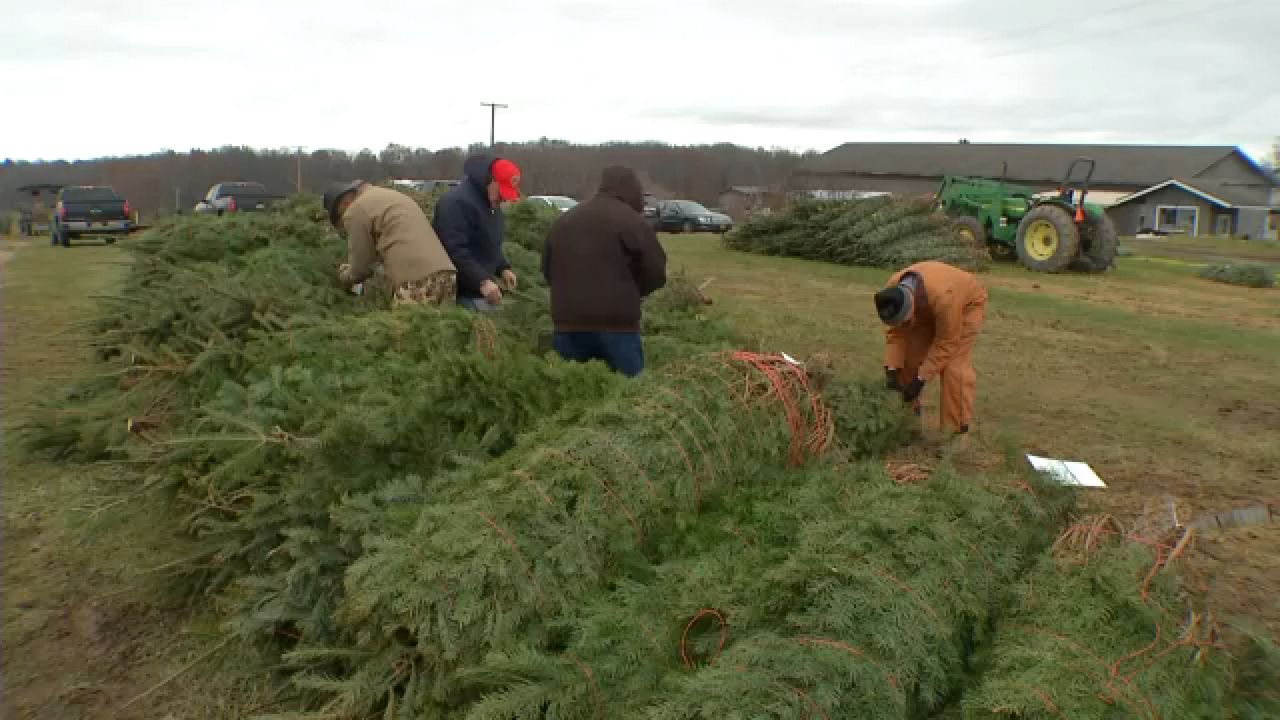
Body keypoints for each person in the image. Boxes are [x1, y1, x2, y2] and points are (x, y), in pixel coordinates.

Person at [541, 165, 666, 377]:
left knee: (569, 389)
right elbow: (655, 271)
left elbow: (547, 268)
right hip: (617, 325)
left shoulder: (565, 220)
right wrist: (635, 291)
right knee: (626, 392)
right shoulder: (632, 221)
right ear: (632, 190)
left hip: (568, 323)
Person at [874, 260, 988, 436]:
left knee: (953, 367)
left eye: (904, 322)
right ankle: (908, 422)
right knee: (908, 359)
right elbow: (897, 334)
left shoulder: (944, 298)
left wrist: (920, 379)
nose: (902, 326)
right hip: (927, 304)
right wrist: (892, 369)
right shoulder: (892, 290)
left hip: (965, 305)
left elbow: (946, 342)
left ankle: (954, 433)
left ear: (910, 307)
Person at [322, 180, 457, 307]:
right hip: (446, 274)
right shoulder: (382, 196)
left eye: (341, 218)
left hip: (416, 280)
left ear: (344, 204)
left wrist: (344, 276)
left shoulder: (355, 210)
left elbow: (361, 266)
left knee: (405, 323)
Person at [432, 154, 522, 311]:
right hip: (460, 294)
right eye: (502, 192)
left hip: (480, 292)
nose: (504, 199)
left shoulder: (490, 203)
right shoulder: (456, 203)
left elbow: (488, 241)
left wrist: (503, 268)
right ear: (491, 180)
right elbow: (453, 249)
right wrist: (482, 281)